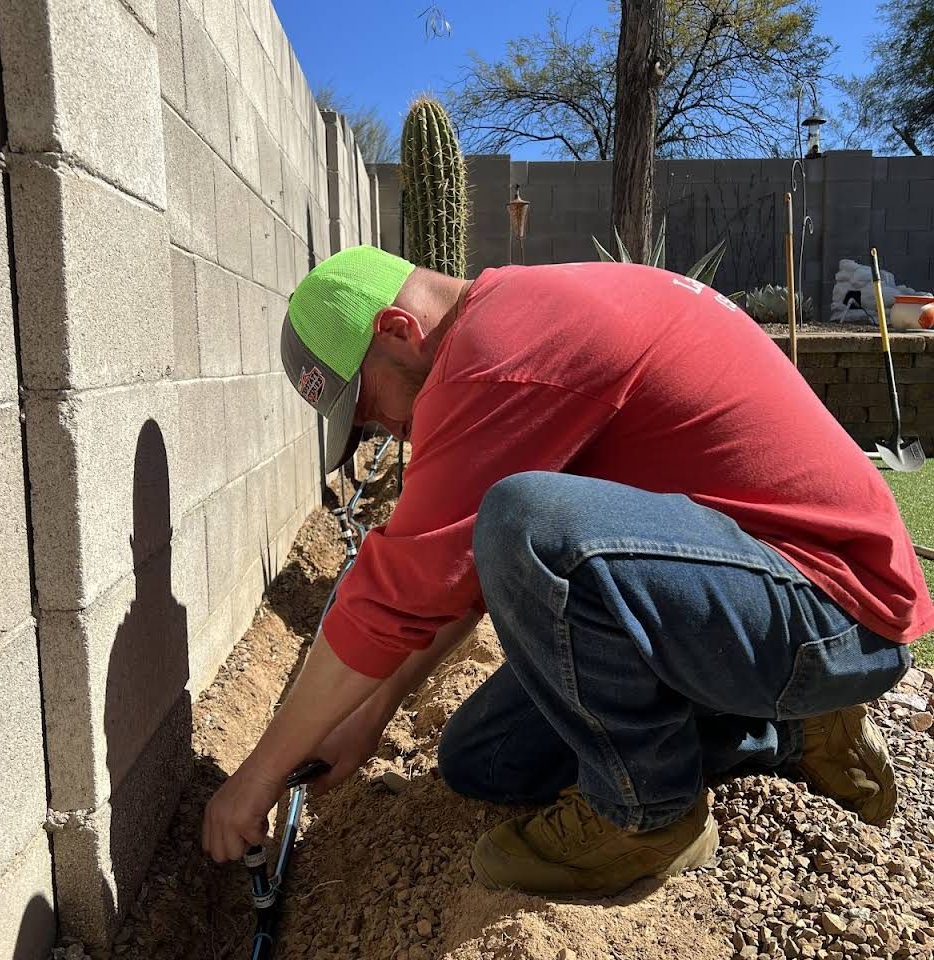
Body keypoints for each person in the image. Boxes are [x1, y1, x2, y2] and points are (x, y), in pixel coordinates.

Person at [202, 245, 933, 896]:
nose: (384, 429)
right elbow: (452, 578)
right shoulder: (509, 322)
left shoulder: (497, 356)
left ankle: (649, 817)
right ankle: (797, 732)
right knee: (483, 760)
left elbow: (396, 594)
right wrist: (372, 712)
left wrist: (257, 778)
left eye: (369, 407)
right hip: (748, 591)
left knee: (526, 519)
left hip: (834, 604)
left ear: (398, 331)